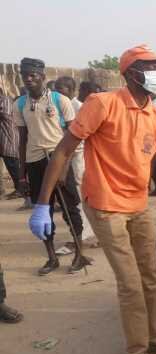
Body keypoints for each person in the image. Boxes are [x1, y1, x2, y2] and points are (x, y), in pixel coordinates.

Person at [28, 44, 156, 354]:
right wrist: (43, 204)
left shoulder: (155, 115)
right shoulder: (102, 104)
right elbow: (62, 152)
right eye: (151, 66)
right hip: (104, 206)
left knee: (152, 277)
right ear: (131, 73)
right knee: (131, 283)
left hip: (138, 204)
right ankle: (139, 352)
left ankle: (155, 339)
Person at [15, 58, 84, 275]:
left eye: (33, 74)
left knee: (70, 209)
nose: (28, 78)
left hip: (58, 157)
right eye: (25, 74)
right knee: (42, 211)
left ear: (43, 77)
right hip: (35, 161)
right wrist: (22, 175)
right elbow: (23, 140)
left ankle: (80, 254)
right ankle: (52, 257)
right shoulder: (20, 104)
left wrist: (64, 168)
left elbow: (73, 137)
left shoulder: (59, 100)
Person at [54, 77, 97, 250]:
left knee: (78, 195)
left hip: (77, 156)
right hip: (69, 155)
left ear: (72, 90)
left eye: (62, 89)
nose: (58, 93)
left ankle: (83, 235)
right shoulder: (63, 105)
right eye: (56, 89)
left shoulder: (77, 107)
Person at [0, 87, 21, 199]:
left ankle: (20, 189)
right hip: (3, 139)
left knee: (12, 164)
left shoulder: (5, 100)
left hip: (9, 137)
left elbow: (4, 114)